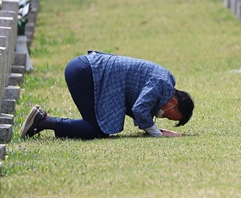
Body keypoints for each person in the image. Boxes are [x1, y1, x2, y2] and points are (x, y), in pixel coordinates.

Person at [20, 51, 194, 139]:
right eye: (170, 116)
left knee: (98, 128)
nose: (164, 117)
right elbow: (140, 108)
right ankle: (42, 122)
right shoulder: (162, 83)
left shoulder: (165, 80)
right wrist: (158, 133)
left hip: (85, 68)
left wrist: (155, 129)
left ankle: (43, 121)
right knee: (96, 129)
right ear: (173, 101)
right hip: (86, 73)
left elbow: (141, 108)